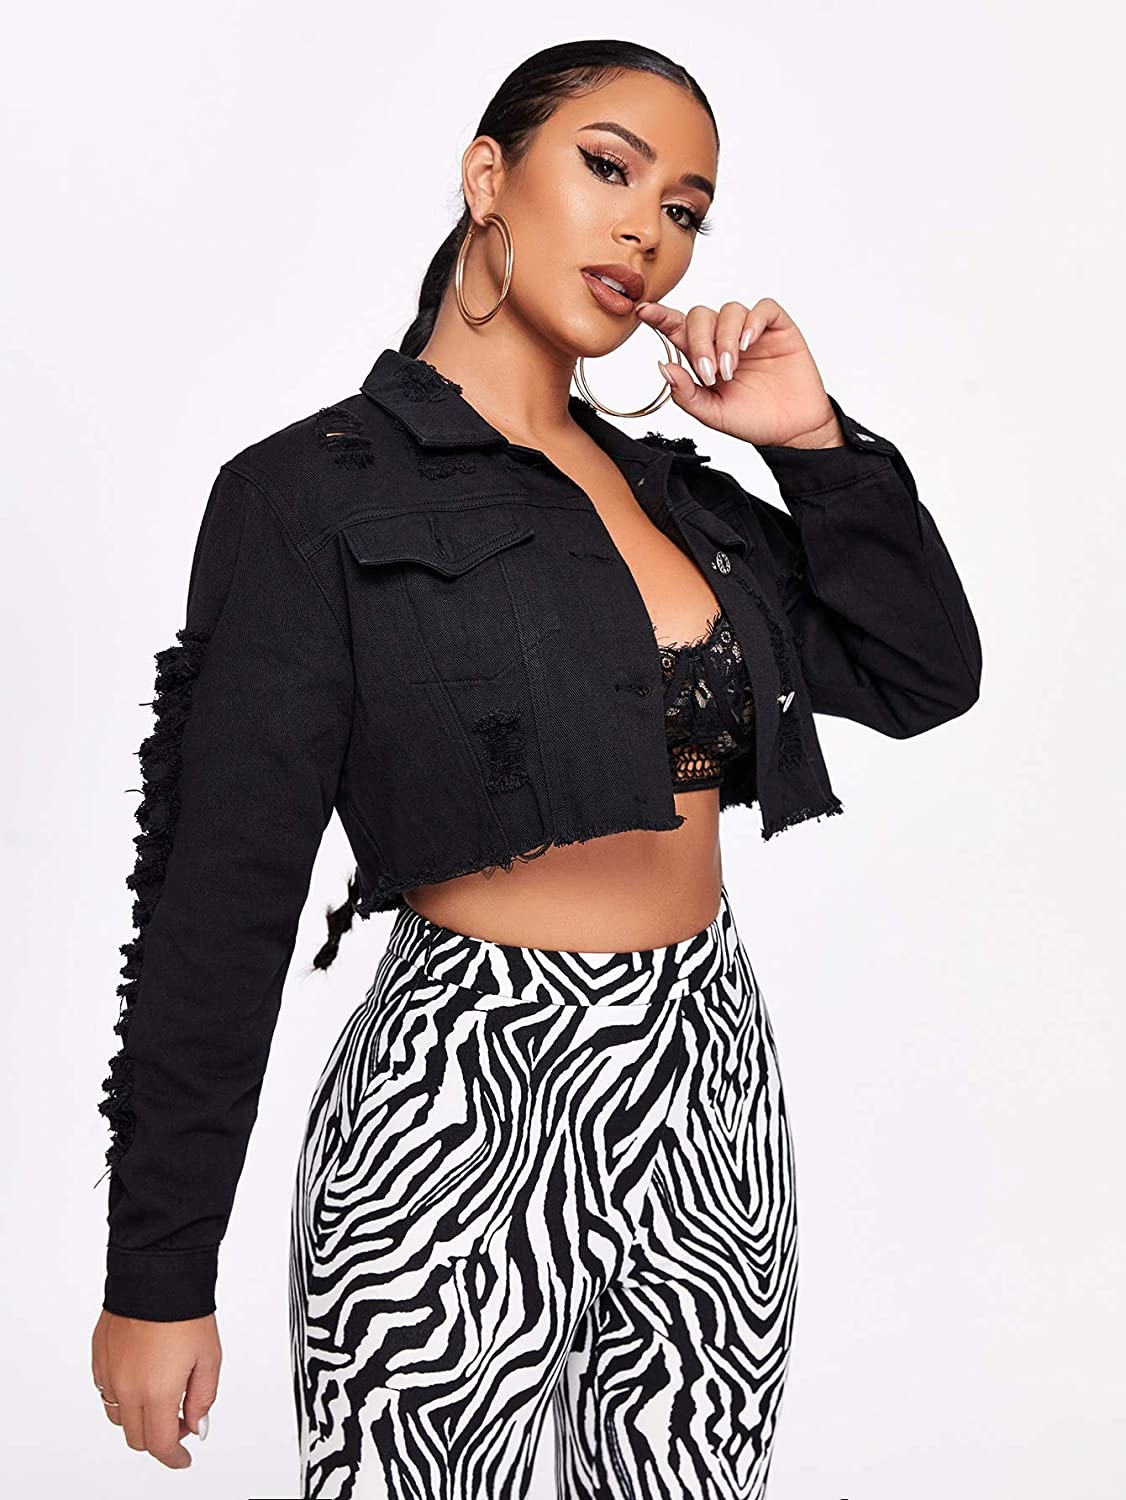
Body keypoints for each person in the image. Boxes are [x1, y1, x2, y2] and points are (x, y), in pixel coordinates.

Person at [90, 38, 982, 1497]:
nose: (649, 232)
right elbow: (219, 905)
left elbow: (921, 676)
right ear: (487, 175)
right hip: (454, 1105)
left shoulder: (676, 497)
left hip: (705, 1084)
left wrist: (813, 445)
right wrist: (157, 1274)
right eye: (609, 168)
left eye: (685, 210)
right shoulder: (305, 495)